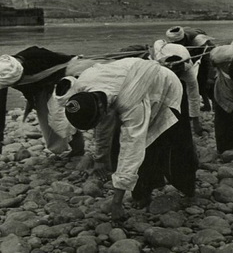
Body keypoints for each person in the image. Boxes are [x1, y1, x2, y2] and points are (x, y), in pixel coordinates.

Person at [61, 58, 198, 221]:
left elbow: (132, 150)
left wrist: (117, 202)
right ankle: (146, 189)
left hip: (165, 87)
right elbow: (102, 127)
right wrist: (99, 157)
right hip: (131, 84)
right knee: (126, 143)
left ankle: (187, 187)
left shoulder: (129, 103)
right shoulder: (82, 86)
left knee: (171, 144)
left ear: (102, 111)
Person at [0, 46, 100, 160]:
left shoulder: (36, 55)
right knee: (49, 126)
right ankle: (63, 147)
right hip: (38, 91)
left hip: (58, 81)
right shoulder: (2, 76)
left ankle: (78, 149)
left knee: (62, 117)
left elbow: (66, 61)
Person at [152, 39, 204, 136]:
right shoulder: (158, 63)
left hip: (181, 51)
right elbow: (158, 42)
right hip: (165, 56)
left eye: (178, 71)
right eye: (174, 72)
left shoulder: (189, 71)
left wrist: (196, 122)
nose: (176, 74)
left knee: (183, 97)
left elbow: (194, 96)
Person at [166, 26, 216, 111]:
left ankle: (214, 106)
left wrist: (210, 76)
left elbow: (209, 58)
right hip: (192, 55)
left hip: (206, 55)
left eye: (180, 43)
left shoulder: (198, 40)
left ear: (183, 39)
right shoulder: (173, 39)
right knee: (195, 82)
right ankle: (206, 105)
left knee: (205, 82)